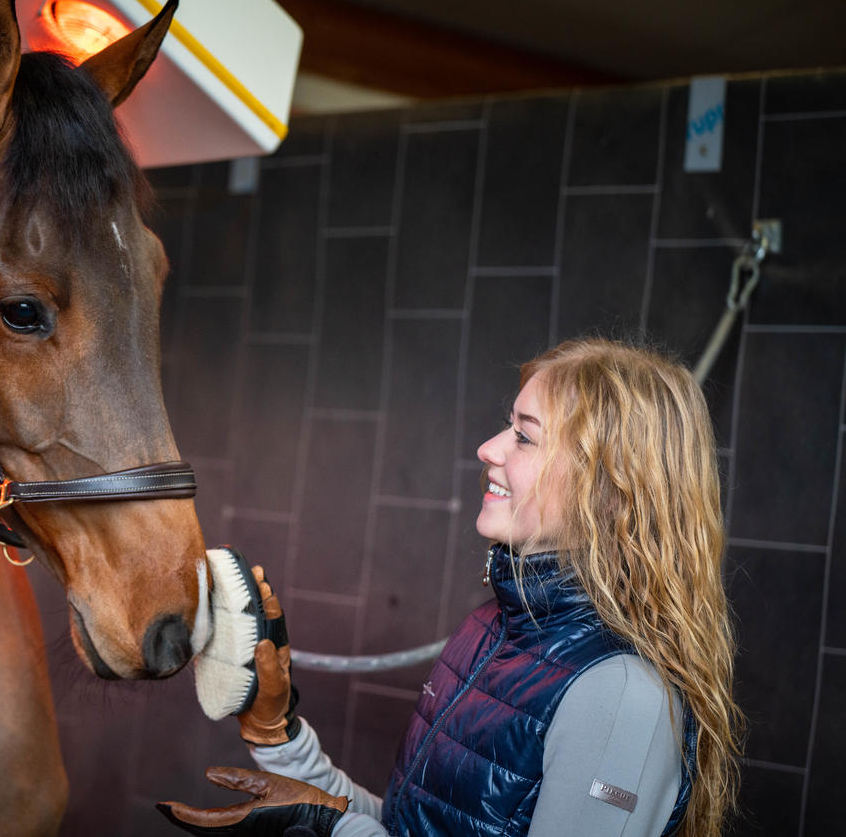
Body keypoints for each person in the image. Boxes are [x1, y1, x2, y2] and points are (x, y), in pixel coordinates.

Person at [159, 338, 744, 836]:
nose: (489, 449)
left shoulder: (621, 698)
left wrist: (329, 829)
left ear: (610, 487)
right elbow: (412, 827)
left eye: (525, 436)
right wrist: (278, 732)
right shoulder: (487, 630)